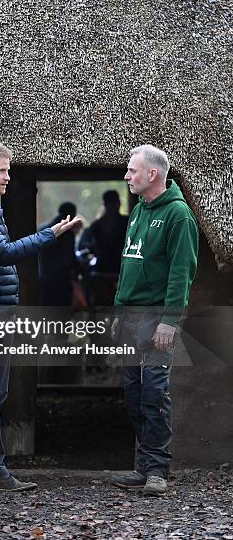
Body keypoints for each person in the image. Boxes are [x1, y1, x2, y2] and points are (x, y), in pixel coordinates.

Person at [0, 141, 80, 492]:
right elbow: (2, 252)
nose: (9, 176)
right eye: (4, 170)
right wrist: (50, 234)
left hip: (0, 313)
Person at [110, 145, 198, 496]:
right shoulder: (137, 212)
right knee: (133, 393)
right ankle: (143, 466)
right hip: (130, 318)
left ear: (152, 175)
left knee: (154, 392)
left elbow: (182, 273)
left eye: (132, 171)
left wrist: (169, 321)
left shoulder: (179, 215)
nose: (127, 176)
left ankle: (157, 470)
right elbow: (127, 263)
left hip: (157, 321)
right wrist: (118, 312)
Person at [38, 202, 77, 306]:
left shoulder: (43, 229)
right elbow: (70, 258)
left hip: (45, 277)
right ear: (71, 214)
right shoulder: (68, 233)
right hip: (61, 280)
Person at [90, 190, 128, 274]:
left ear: (104, 204)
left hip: (103, 266)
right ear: (119, 203)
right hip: (122, 265)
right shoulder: (127, 222)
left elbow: (93, 247)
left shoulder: (96, 225)